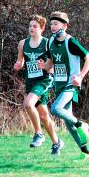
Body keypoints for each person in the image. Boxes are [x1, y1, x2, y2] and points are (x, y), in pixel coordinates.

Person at [38, 11, 89, 161]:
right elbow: (51, 64)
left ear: (65, 25)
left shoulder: (71, 41)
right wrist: (44, 66)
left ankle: (82, 124)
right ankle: (86, 153)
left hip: (71, 85)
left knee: (56, 108)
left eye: (56, 24)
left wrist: (81, 76)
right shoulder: (50, 42)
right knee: (69, 125)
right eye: (51, 24)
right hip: (59, 86)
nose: (53, 27)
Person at [14, 14, 63, 155]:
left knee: (28, 104)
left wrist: (45, 66)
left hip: (44, 80)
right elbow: (21, 61)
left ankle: (38, 133)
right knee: (43, 116)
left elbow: (53, 65)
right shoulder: (23, 43)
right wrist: (18, 65)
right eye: (30, 26)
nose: (31, 28)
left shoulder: (48, 43)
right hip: (30, 81)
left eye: (35, 26)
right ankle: (56, 143)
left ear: (42, 28)